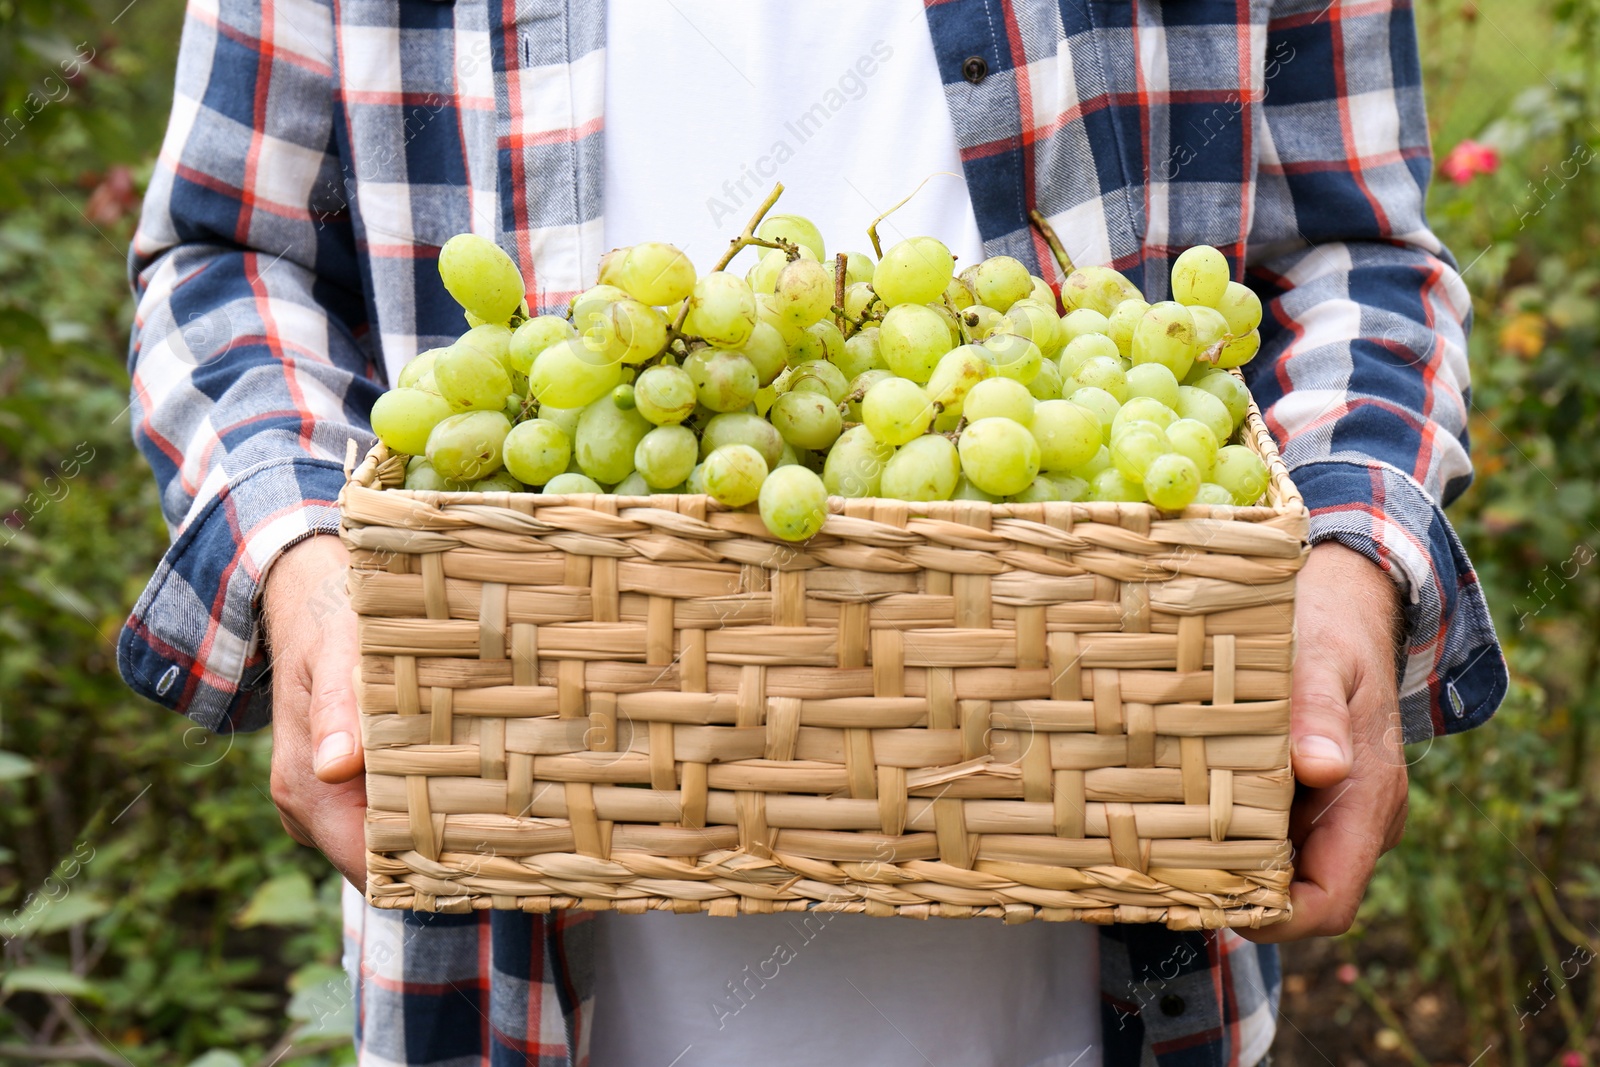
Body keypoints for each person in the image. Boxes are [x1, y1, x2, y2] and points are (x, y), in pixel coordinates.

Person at [118, 0, 1507, 1063]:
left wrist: (1346, 567)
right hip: (494, 989)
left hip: (1117, 989)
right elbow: (227, 255)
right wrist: (299, 558)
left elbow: (1355, 253)